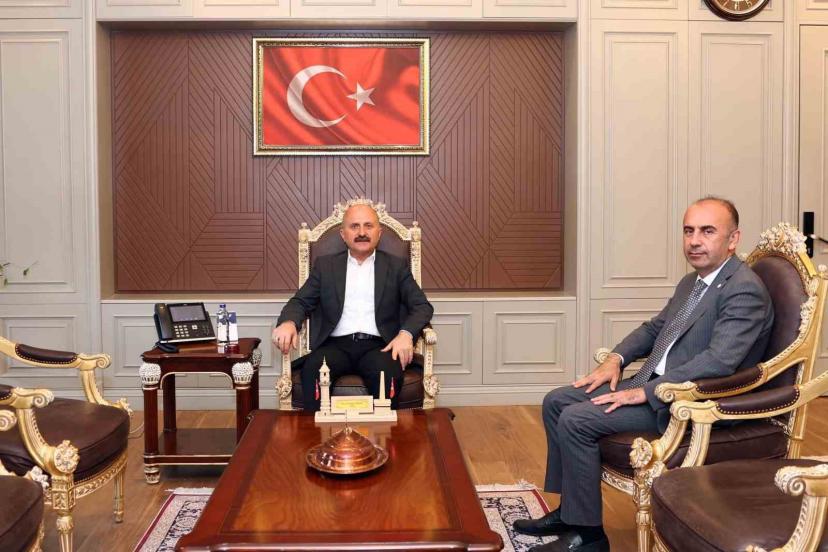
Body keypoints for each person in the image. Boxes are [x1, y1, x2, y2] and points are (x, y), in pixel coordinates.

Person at [513, 197, 774, 552]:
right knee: (557, 401)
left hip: (687, 401)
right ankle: (571, 512)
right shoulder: (693, 282)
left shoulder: (743, 289)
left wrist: (647, 392)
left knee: (576, 419)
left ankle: (588, 537)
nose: (694, 241)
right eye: (688, 231)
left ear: (733, 239)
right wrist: (616, 359)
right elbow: (654, 329)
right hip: (652, 383)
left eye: (707, 231)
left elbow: (720, 361)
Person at [272, 202, 433, 411]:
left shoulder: (395, 266)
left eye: (368, 226)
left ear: (379, 233)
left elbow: (421, 306)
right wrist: (288, 322)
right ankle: (316, 432)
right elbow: (300, 301)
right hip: (335, 345)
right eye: (354, 226)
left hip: (381, 346)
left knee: (387, 374)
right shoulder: (326, 266)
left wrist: (406, 334)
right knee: (313, 370)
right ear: (343, 234)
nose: (362, 233)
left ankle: (383, 433)